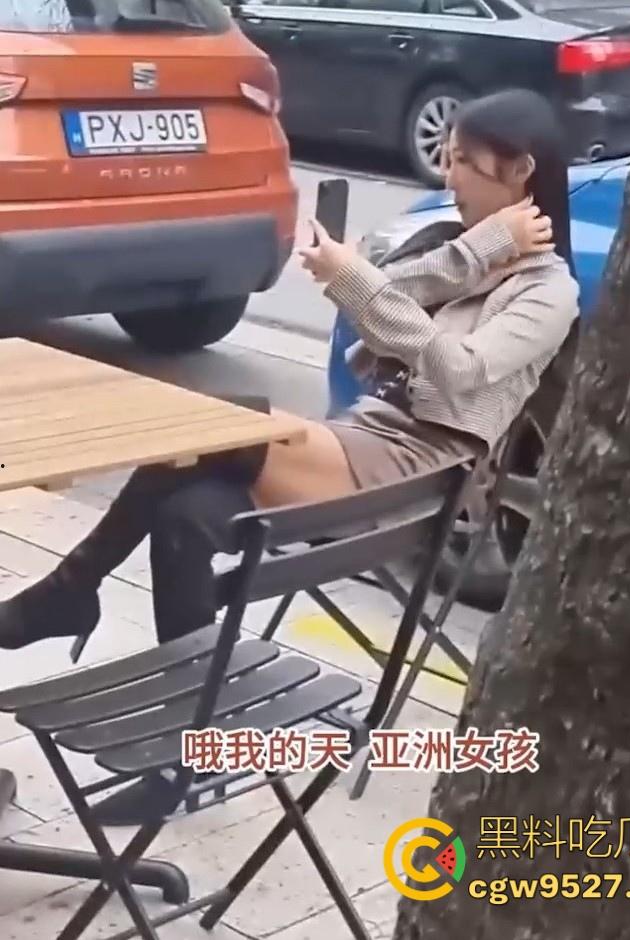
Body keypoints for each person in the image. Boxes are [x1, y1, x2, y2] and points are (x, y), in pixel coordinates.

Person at [0, 88, 579, 823]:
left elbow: (460, 370)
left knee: (220, 424)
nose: (448, 173)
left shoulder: (548, 290)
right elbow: (375, 292)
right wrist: (476, 250)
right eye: (448, 155)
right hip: (364, 439)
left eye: (466, 160)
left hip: (421, 468)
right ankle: (187, 753)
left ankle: (66, 593)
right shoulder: (470, 250)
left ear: (521, 170)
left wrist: (385, 274)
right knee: (186, 513)